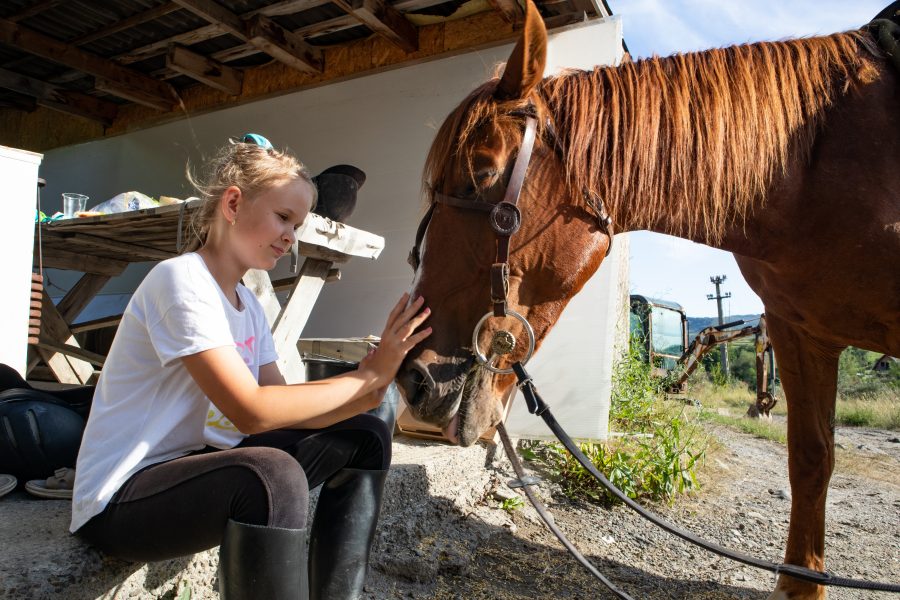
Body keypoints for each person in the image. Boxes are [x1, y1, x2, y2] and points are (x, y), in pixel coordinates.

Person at [69, 136, 431, 600]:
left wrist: (375, 381)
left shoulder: (247, 305)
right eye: (283, 217)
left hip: (197, 467)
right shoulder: (180, 280)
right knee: (273, 477)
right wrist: (365, 378)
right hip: (122, 499)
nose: (290, 237)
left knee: (368, 431)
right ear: (234, 203)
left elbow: (284, 410)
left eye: (297, 225)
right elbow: (251, 413)